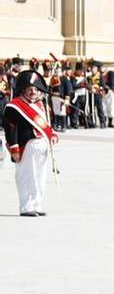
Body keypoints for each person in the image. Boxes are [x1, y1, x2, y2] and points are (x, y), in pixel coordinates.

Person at [4, 71, 57, 216]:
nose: (33, 92)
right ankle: (26, 207)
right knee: (27, 176)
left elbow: (46, 124)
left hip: (42, 145)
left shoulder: (40, 104)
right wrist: (14, 148)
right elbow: (10, 128)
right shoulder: (14, 106)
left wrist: (52, 135)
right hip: (26, 145)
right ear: (23, 90)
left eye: (35, 89)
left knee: (40, 177)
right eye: (30, 89)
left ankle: (36, 204)